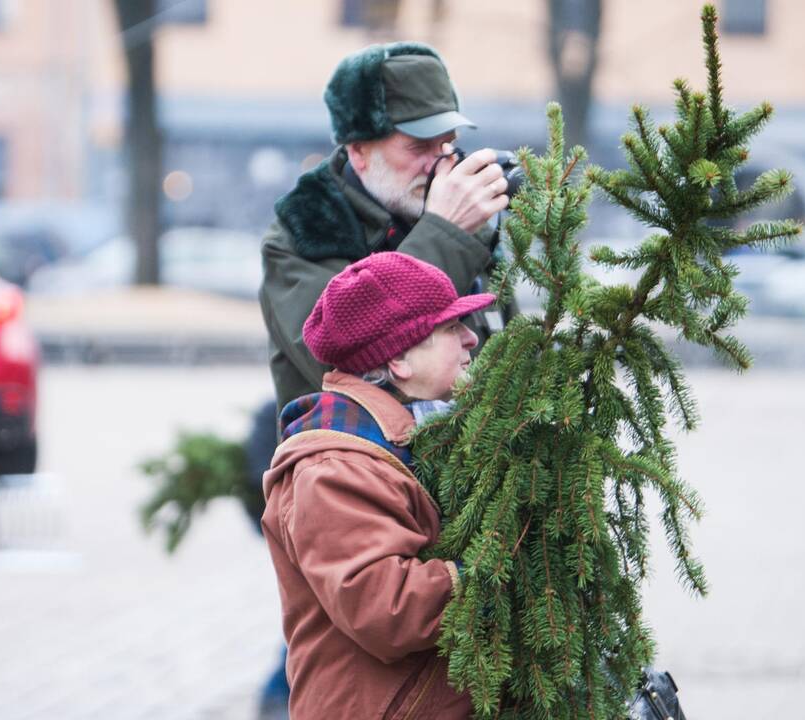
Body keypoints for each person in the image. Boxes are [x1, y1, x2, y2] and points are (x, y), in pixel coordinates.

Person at [261, 252, 495, 719]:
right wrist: (496, 568)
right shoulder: (335, 468)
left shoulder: (399, 433)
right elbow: (386, 610)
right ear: (399, 359)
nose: (472, 338)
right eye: (450, 329)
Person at [260, 41, 514, 415]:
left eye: (447, 144)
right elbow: (343, 366)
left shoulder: (463, 229)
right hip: (353, 468)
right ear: (358, 151)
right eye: (418, 147)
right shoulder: (304, 235)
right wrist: (444, 232)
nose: (438, 163)